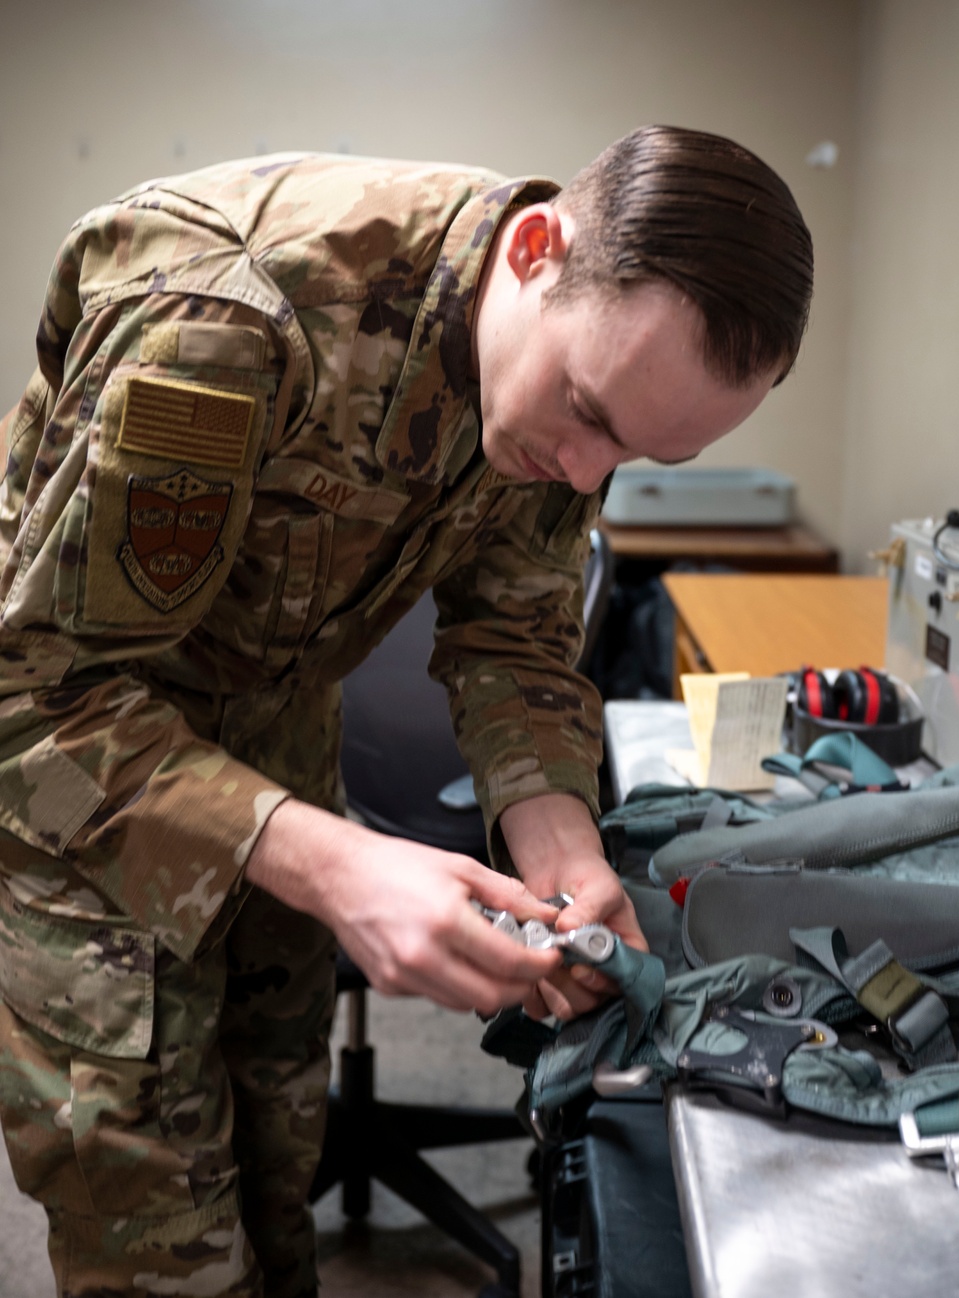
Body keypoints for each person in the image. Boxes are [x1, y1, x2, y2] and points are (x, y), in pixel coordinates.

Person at [0, 125, 813, 1296]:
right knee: (163, 1247)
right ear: (537, 250)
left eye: (633, 453)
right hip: (89, 815)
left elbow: (516, 634)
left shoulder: (568, 384)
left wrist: (565, 851)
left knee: (279, 1195)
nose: (586, 474)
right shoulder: (224, 321)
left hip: (278, 754)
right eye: (586, 413)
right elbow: (34, 694)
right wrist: (342, 866)